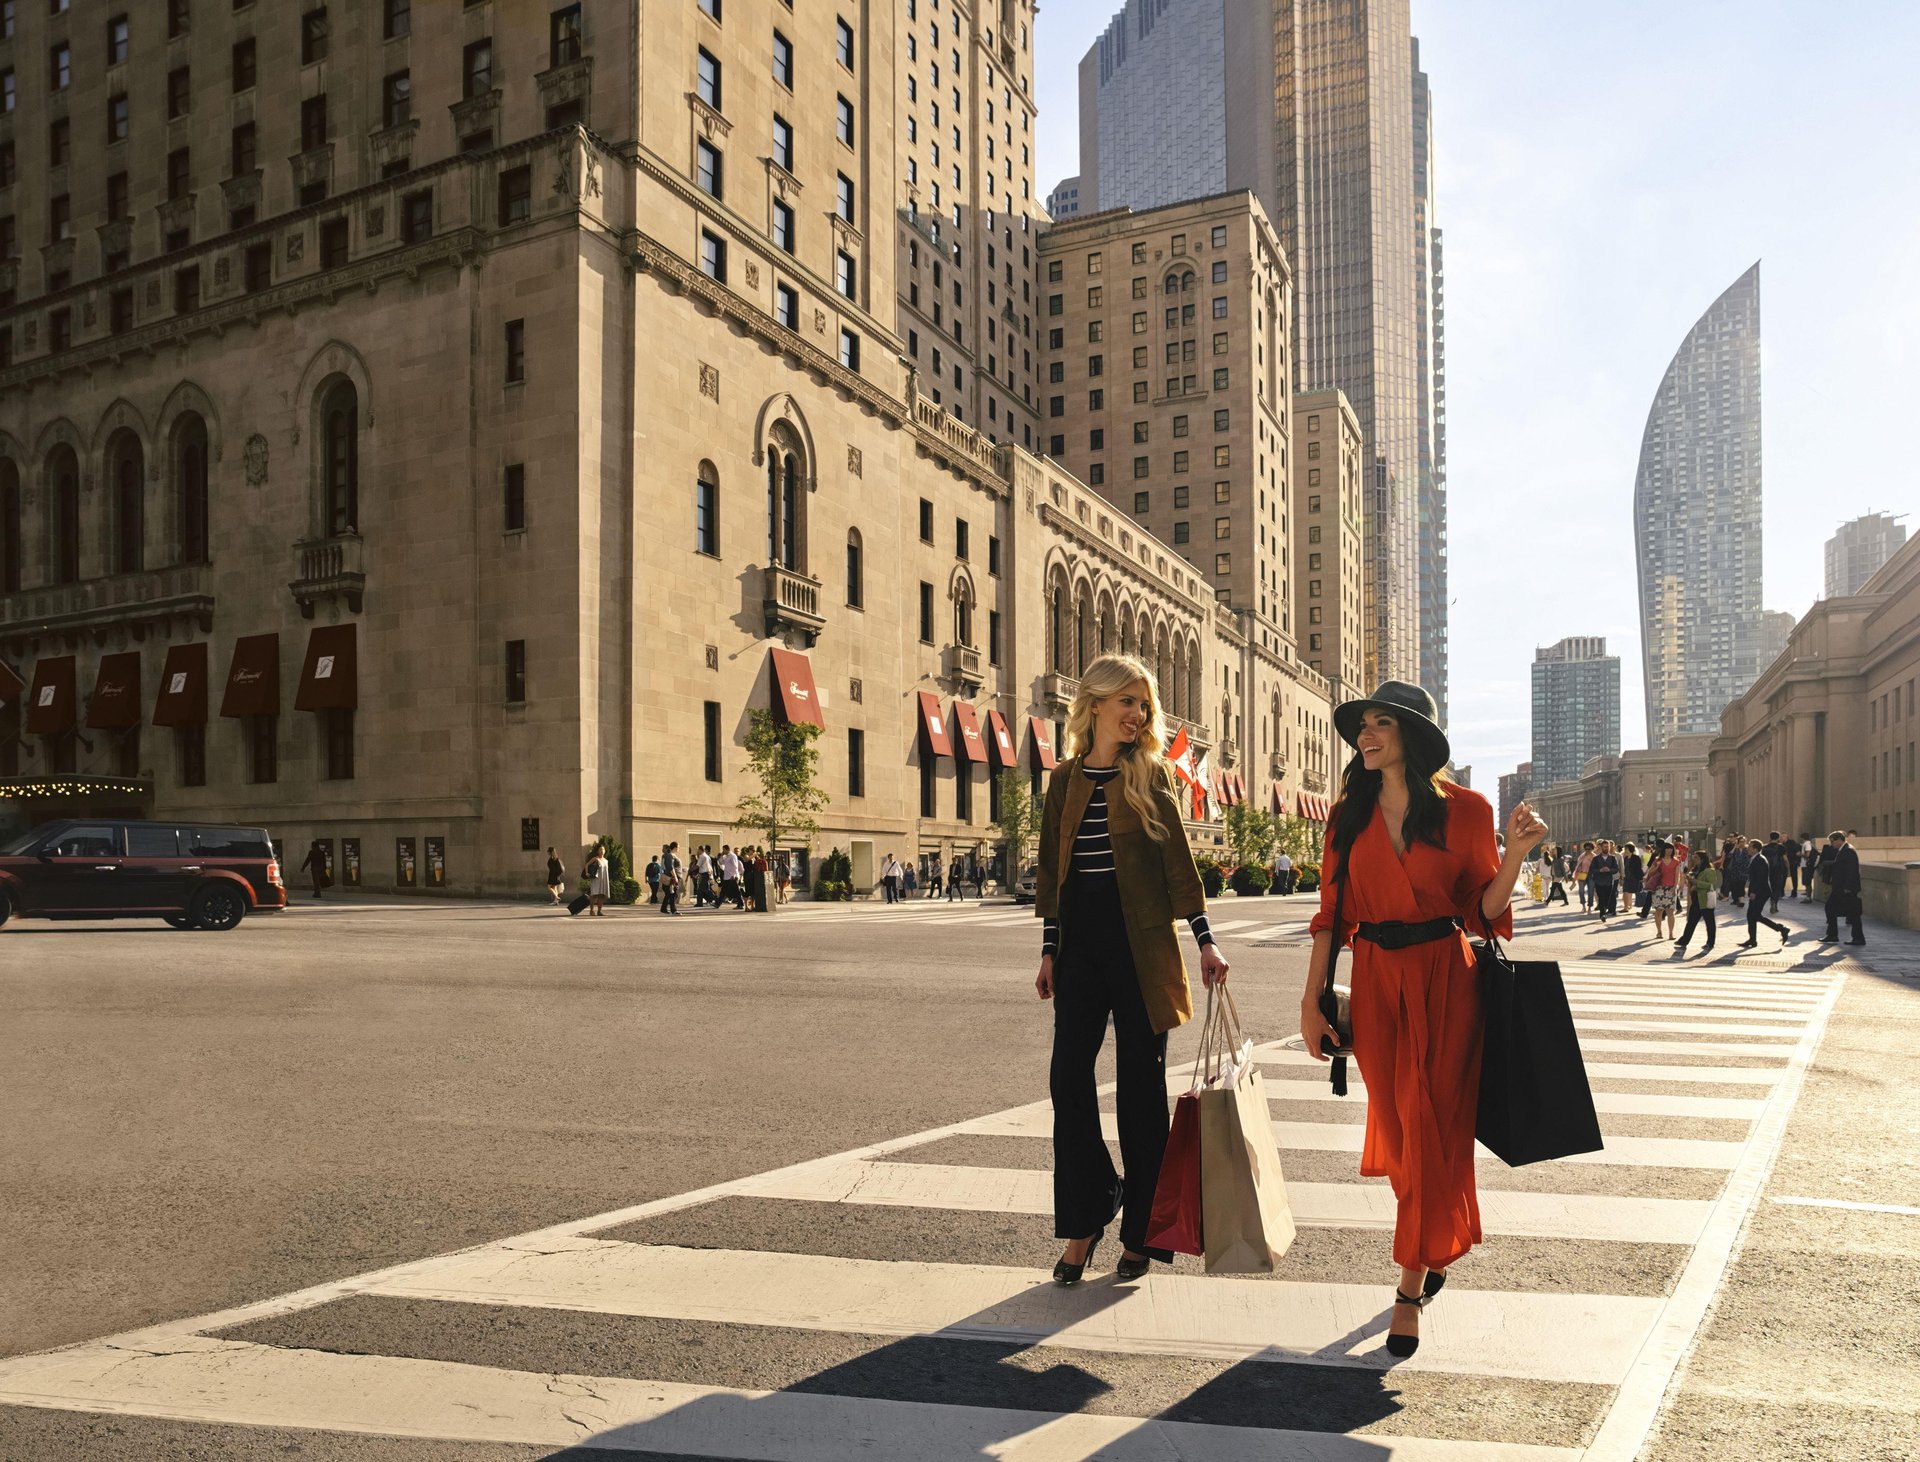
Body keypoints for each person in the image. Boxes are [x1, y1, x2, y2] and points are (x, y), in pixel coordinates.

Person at [1299, 680, 1543, 1359]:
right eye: (1362, 726)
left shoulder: (1467, 810)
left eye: (1381, 724)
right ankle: (1432, 1235)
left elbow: (1482, 911)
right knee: (1405, 1132)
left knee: (1432, 1118)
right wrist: (1311, 998)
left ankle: (1407, 1288)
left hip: (1446, 977)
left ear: (1413, 735)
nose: (1365, 735)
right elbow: (1330, 916)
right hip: (1375, 979)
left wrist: (1515, 855)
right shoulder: (1347, 813)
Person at [1036, 653, 1229, 1289]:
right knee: (1068, 1080)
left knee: (1139, 1096)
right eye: (1128, 702)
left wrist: (1204, 942)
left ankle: (1142, 1227)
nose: (1138, 714)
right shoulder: (1063, 781)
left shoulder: (1151, 775)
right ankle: (1090, 1211)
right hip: (1080, 949)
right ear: (1094, 703)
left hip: (1142, 946)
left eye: (1143, 705)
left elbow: (1178, 865)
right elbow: (1051, 873)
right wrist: (1048, 948)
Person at [1738, 842, 1790, 949]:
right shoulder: (1755, 859)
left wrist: (1754, 892)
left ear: (1756, 849)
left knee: (1755, 915)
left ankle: (1781, 929)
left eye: (1750, 847)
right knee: (1751, 916)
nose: (1748, 849)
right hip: (1758, 891)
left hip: (1761, 892)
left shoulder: (1760, 860)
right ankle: (1752, 939)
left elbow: (1760, 878)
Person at [1821, 829, 1865, 946]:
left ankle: (1857, 938)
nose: (1831, 844)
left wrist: (1848, 887)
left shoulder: (1848, 851)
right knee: (1831, 908)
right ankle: (1833, 935)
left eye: (1833, 842)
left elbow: (1852, 871)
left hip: (1846, 889)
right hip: (1841, 888)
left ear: (1840, 840)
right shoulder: (1843, 850)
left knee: (1853, 914)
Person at [1673, 849, 1719, 956]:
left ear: (1702, 859)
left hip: (1705, 900)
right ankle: (1684, 940)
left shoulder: (1709, 870)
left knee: (1709, 922)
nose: (1694, 859)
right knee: (1691, 921)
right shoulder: (1696, 869)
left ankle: (1710, 942)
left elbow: (1712, 885)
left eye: (1696, 858)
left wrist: (1696, 882)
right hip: (1696, 899)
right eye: (1694, 857)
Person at [1646, 841, 1680, 942]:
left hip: (1670, 888)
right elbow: (1650, 873)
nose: (1669, 850)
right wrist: (1657, 866)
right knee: (1658, 911)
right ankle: (1659, 931)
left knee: (1670, 912)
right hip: (1658, 889)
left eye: (1671, 849)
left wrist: (1675, 887)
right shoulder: (1657, 860)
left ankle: (1671, 933)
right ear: (1663, 850)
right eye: (1667, 848)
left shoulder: (1676, 861)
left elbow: (1677, 875)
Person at [1588, 839, 1620, 919]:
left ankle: (1605, 909)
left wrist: (1609, 870)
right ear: (1601, 847)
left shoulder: (1612, 858)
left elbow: (1616, 869)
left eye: (1608, 846)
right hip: (1599, 881)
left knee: (1607, 898)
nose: (1607, 848)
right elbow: (1591, 869)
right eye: (1605, 847)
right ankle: (1602, 914)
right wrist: (1600, 870)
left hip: (1609, 882)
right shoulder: (1596, 859)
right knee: (1601, 897)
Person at [1762, 832, 1791, 916]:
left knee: (1770, 886)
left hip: (1767, 870)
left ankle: (1772, 900)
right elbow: (1785, 859)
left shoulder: (1765, 847)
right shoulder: (1781, 847)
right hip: (1778, 870)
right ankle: (1774, 902)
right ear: (1778, 838)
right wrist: (1788, 870)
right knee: (1777, 887)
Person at [585, 846, 610, 917]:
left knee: (601, 895)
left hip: (603, 879)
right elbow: (587, 864)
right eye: (600, 849)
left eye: (603, 849)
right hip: (596, 879)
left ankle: (599, 911)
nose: (602, 850)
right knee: (594, 895)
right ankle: (591, 910)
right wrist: (587, 873)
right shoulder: (595, 859)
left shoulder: (606, 861)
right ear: (598, 851)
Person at [718, 844, 744, 909]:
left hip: (731, 876)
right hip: (726, 876)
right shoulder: (726, 856)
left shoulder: (732, 856)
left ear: (727, 849)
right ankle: (717, 903)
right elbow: (720, 862)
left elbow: (735, 866)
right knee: (723, 891)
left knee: (736, 891)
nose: (723, 851)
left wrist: (734, 875)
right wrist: (721, 855)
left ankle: (741, 904)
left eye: (724, 849)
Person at [659, 842, 682, 916]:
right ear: (675, 847)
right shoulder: (670, 856)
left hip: (672, 877)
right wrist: (675, 877)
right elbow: (670, 867)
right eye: (678, 847)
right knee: (672, 894)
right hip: (671, 878)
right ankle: (673, 910)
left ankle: (664, 908)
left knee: (670, 894)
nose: (679, 848)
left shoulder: (671, 855)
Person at [1621, 842, 1644, 914]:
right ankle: (1625, 907)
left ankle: (1641, 906)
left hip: (1634, 878)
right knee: (1625, 892)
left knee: (1636, 892)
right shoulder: (1625, 858)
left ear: (1630, 849)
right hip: (1627, 877)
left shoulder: (1636, 858)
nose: (1625, 850)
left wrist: (1641, 877)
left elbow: (1639, 868)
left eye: (1626, 849)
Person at [1575, 842, 1595, 912]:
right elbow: (1577, 866)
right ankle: (1583, 906)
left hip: (1591, 875)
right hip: (1582, 874)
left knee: (1590, 892)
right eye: (1586, 849)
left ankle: (1589, 907)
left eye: (1589, 849)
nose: (1587, 850)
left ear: (1592, 849)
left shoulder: (1594, 856)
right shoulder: (1581, 856)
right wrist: (1576, 875)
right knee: (1581, 891)